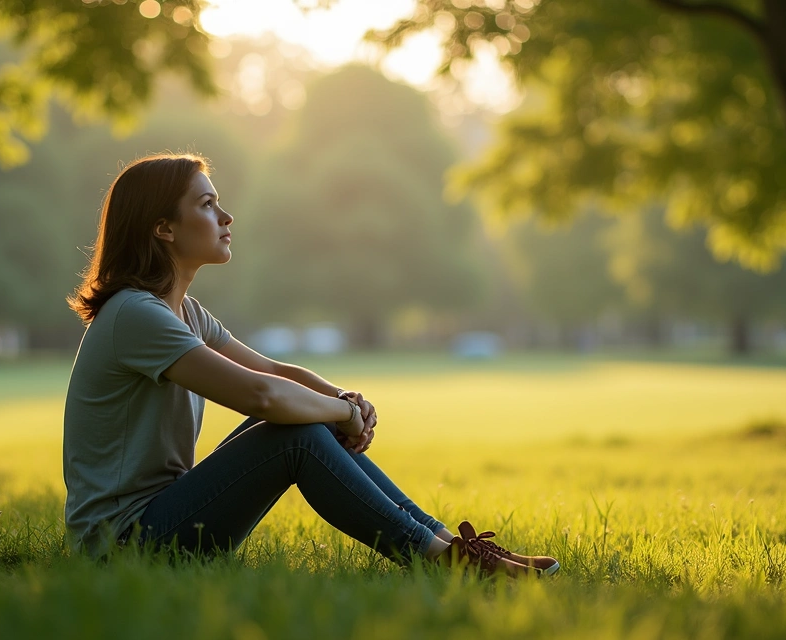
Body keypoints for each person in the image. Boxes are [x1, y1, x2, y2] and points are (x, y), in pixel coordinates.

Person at [62, 153, 558, 577]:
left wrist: (343, 399)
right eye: (207, 205)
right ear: (164, 228)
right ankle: (444, 561)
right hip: (122, 545)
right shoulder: (134, 314)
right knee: (293, 430)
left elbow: (277, 374)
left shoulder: (183, 311)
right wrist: (338, 414)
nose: (226, 217)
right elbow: (263, 396)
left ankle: (454, 547)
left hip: (166, 517)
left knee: (296, 418)